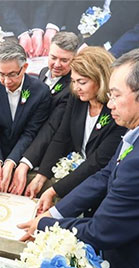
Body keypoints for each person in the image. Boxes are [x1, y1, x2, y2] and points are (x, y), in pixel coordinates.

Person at [19, 47, 139, 268]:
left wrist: (43, 226)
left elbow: (101, 231)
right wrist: (55, 213)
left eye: (117, 95)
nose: (110, 105)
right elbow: (106, 174)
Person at [25, 47, 126, 214]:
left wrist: (54, 190)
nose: (76, 87)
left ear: (100, 80)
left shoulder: (117, 111)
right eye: (73, 81)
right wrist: (41, 175)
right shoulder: (77, 98)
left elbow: (97, 162)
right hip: (79, 178)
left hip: (103, 188)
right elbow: (61, 138)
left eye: (82, 82)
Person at [9, 32, 80, 195]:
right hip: (27, 146)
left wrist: (25, 163)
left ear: (74, 60)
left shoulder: (73, 88)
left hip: (47, 156)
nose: (56, 64)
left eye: (64, 60)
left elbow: (51, 128)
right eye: (53, 57)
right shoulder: (42, 73)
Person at [0, 41, 51, 192]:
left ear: (24, 68)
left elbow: (31, 132)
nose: (7, 81)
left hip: (27, 158)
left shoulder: (41, 91)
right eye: (1, 74)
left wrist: (12, 162)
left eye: (12, 74)